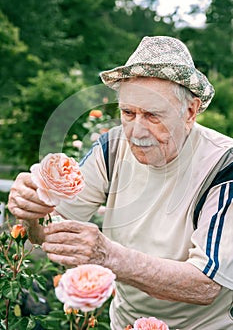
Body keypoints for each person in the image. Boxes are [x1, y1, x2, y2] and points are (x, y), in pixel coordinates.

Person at [8, 36, 233, 330]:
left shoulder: (223, 165)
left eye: (153, 115)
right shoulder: (111, 148)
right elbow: (49, 233)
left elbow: (204, 286)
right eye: (128, 113)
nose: (136, 131)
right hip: (124, 324)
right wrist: (32, 212)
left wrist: (109, 255)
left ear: (190, 111)